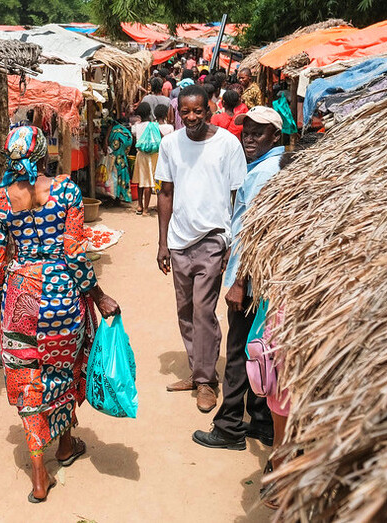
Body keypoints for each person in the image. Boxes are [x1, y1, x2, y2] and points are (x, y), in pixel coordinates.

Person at [0, 125, 120, 503]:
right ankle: (64, 444)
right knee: (63, 368)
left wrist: (4, 299)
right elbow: (76, 254)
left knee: (28, 374)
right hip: (62, 293)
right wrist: (98, 294)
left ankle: (40, 476)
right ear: (44, 155)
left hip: (22, 294)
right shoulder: (65, 190)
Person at [192, 106, 283, 450]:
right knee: (258, 349)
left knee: (238, 354)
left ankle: (229, 426)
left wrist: (240, 281)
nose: (249, 138)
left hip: (252, 279)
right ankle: (261, 422)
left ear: (276, 136)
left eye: (259, 133)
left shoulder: (264, 173)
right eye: (247, 131)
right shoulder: (267, 166)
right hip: (262, 276)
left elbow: (256, 231)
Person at [154, 85, 247, 413]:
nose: (191, 117)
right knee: (185, 310)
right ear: (179, 111)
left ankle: (207, 381)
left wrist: (232, 242)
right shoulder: (170, 144)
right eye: (186, 111)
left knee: (203, 310)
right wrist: (163, 243)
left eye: (198, 111)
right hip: (180, 241)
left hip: (213, 238)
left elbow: (238, 197)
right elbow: (165, 192)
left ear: (209, 110)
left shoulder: (228, 144)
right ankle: (198, 371)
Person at [130, 102, 161, 216]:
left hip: (141, 155)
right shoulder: (154, 125)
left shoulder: (136, 127)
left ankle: (139, 205)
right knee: (148, 182)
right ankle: (146, 209)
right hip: (152, 155)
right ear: (149, 112)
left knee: (140, 181)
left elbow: (134, 137)